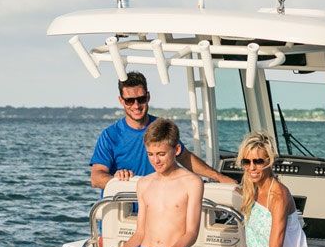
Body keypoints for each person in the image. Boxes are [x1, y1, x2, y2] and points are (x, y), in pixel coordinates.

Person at [109, 118, 202, 247]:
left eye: (161, 154)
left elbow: (191, 233)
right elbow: (140, 233)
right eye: (150, 154)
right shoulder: (143, 184)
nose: (155, 160)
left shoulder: (192, 182)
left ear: (176, 150)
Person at [90, 71, 235, 190]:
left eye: (141, 99)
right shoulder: (110, 135)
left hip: (159, 210)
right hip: (123, 212)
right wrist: (117, 178)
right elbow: (96, 178)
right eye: (129, 100)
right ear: (121, 101)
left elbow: (184, 157)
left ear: (148, 96)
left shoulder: (161, 127)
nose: (136, 105)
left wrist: (219, 177)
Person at [234, 132, 308, 247]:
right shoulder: (251, 187)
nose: (252, 167)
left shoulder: (278, 196)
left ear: (269, 161)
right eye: (246, 162)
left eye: (258, 161)